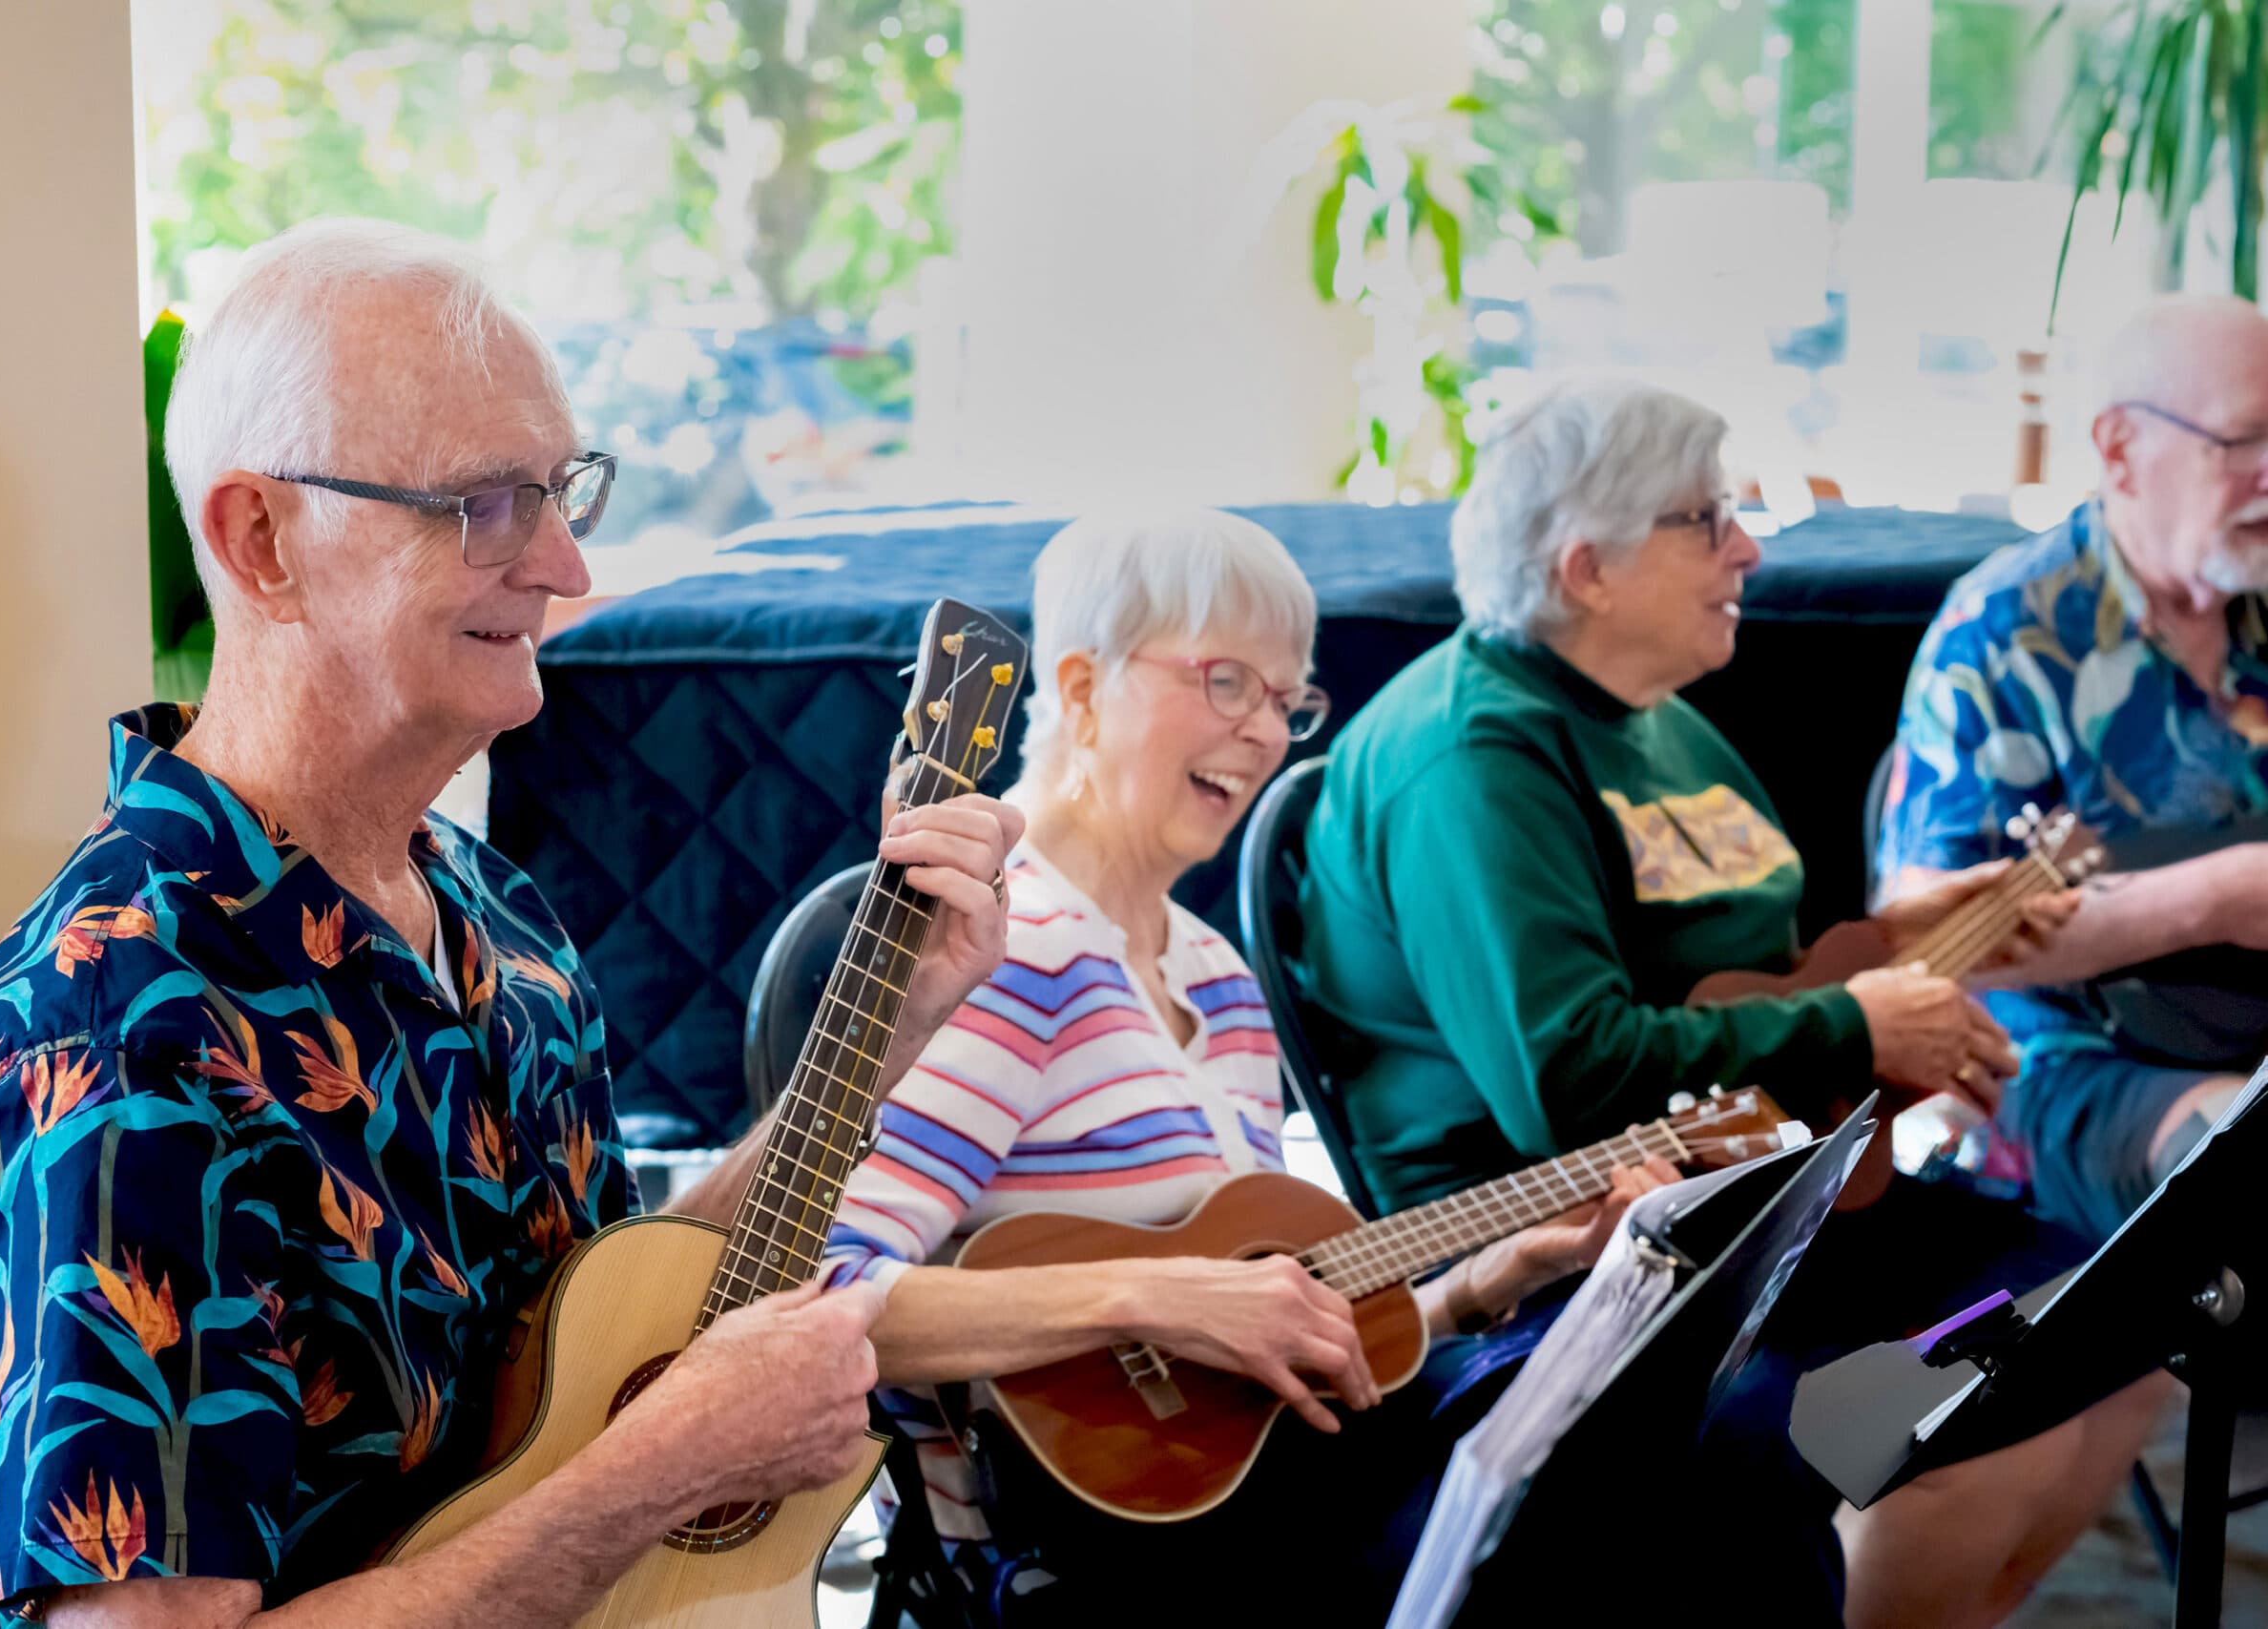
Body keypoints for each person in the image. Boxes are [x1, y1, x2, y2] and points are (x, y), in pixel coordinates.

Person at [0, 219, 1020, 1629]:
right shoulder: (118, 1029)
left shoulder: (497, 912)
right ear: (262, 540)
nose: (565, 565)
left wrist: (885, 1030)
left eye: (566, 491)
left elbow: (583, 1348)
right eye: (489, 502)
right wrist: (657, 1474)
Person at [1297, 378, 2164, 1629]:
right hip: (1563, 1260)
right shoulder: (1472, 757)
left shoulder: (1662, 724)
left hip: (1749, 1191)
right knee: (1863, 1419)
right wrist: (1859, 1025)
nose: (1749, 546)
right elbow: (1570, 1071)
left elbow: (1765, 969)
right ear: (1586, 566)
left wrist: (1919, 944)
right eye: (1704, 520)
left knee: (2110, 1308)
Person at [815, 510, 1674, 1623]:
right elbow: (819, 1302)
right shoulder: (1000, 950)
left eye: (1285, 701)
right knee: (1628, 1511)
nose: (1267, 733)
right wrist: (1148, 1295)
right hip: (1085, 1565)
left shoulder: (1213, 972)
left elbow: (1262, 1330)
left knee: (1677, 1450)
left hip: (1270, 1506)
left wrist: (1481, 1285)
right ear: (1080, 687)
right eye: (1227, 683)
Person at [1880, 293, 2268, 1248]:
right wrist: (2215, 898)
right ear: (2121, 449)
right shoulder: (2002, 633)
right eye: (2245, 442)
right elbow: (1923, 938)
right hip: (2059, 1065)